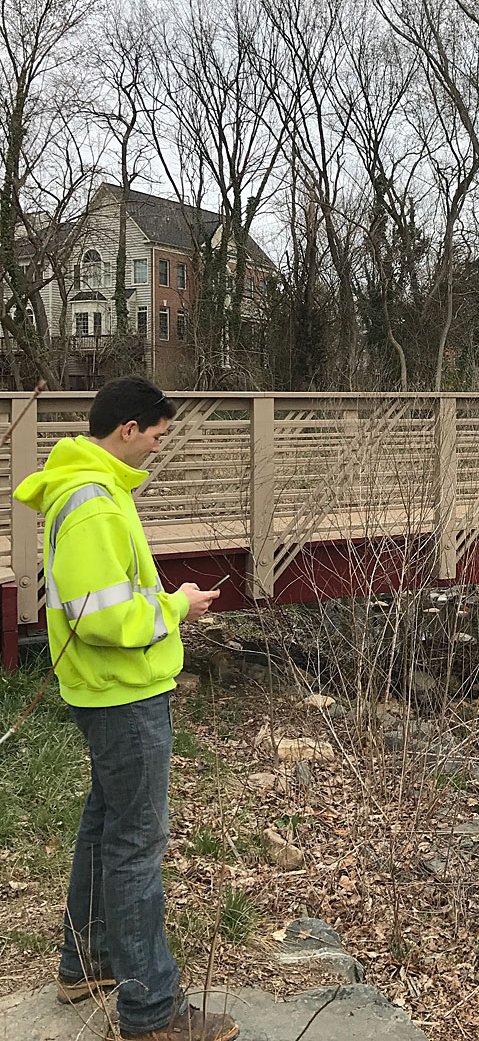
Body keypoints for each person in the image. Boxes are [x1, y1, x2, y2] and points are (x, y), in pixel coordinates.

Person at [14, 375, 238, 1041]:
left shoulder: (93, 490)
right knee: (136, 846)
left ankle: (88, 963)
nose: (158, 449)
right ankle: (150, 1012)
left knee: (105, 826)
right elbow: (103, 617)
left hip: (108, 689)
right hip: (122, 692)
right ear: (129, 430)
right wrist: (177, 605)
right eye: (158, 436)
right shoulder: (91, 503)